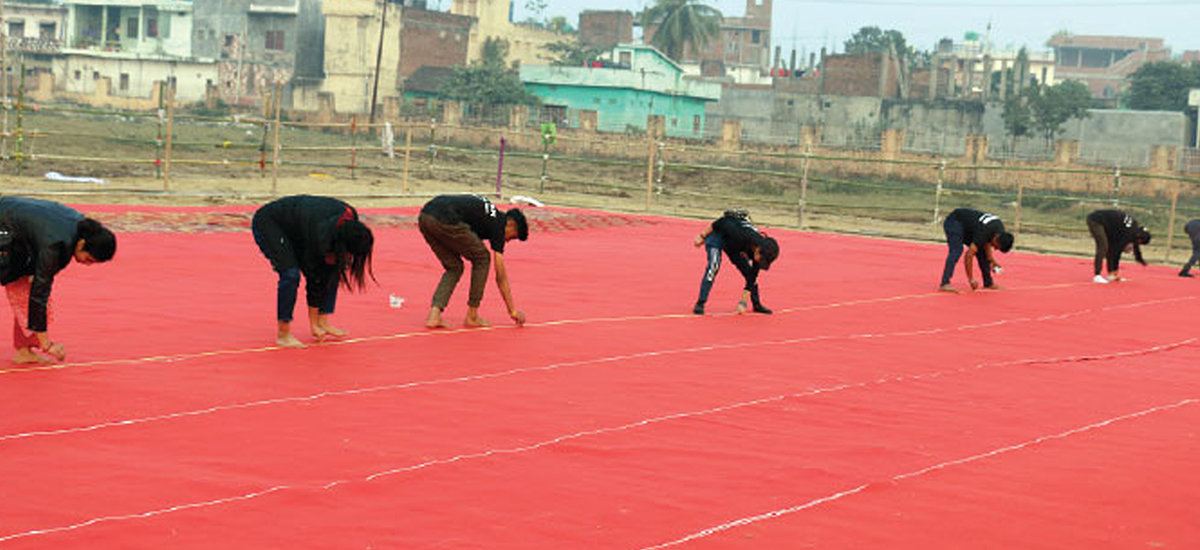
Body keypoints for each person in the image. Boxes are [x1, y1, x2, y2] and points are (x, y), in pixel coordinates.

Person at [0, 197, 116, 364]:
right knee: (29, 297)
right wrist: (47, 344)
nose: (86, 264)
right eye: (88, 259)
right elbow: (39, 293)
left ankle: (24, 349)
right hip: (6, 230)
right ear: (82, 244)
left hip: (14, 231)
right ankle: (29, 346)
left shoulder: (80, 226)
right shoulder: (56, 245)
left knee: (28, 294)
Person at [252, 195, 375, 347]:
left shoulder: (350, 220)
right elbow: (314, 276)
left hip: (300, 226)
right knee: (291, 274)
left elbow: (328, 269)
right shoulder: (320, 236)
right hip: (270, 223)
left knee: (335, 265)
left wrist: (317, 321)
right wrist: (312, 324)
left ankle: (323, 321)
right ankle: (283, 334)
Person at [418, 194, 528, 328]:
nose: (507, 241)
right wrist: (513, 311)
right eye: (512, 237)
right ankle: (472, 316)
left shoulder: (488, 216)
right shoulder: (499, 224)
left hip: (425, 216)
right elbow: (501, 277)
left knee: (454, 267)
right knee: (483, 259)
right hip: (446, 218)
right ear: (511, 224)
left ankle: (434, 315)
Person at [692, 210, 779, 315]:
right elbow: (720, 222)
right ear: (758, 249)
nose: (760, 262)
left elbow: (752, 276)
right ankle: (700, 303)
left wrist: (743, 302)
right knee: (714, 265)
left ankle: (756, 304)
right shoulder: (740, 233)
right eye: (761, 259)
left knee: (749, 273)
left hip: (735, 248)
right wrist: (702, 236)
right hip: (719, 235)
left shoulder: (759, 254)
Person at [939, 208, 1014, 293]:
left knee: (982, 252)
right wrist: (971, 279)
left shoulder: (999, 230)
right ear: (996, 238)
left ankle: (988, 283)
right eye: (996, 246)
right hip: (954, 222)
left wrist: (992, 261)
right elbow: (969, 255)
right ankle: (945, 283)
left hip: (969, 228)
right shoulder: (985, 231)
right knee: (957, 250)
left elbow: (987, 243)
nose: (995, 248)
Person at [1087, 209, 1150, 283]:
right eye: (1140, 243)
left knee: (1110, 247)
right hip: (1096, 220)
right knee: (1103, 246)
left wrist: (1140, 259)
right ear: (1139, 238)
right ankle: (1097, 275)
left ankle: (1111, 275)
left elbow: (1134, 247)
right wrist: (1115, 270)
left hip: (1108, 226)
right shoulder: (1129, 233)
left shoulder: (1135, 230)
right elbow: (1116, 252)